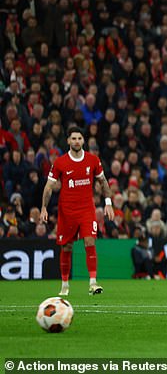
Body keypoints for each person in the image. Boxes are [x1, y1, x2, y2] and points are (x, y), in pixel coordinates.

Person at [40, 126, 115, 296]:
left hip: (87, 209)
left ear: (84, 141)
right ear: (68, 141)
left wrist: (108, 203)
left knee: (90, 241)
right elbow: (49, 187)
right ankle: (65, 285)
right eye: (73, 138)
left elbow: (103, 181)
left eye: (79, 138)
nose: (76, 141)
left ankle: (93, 283)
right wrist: (44, 207)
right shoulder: (60, 162)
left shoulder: (93, 160)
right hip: (67, 211)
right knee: (66, 247)